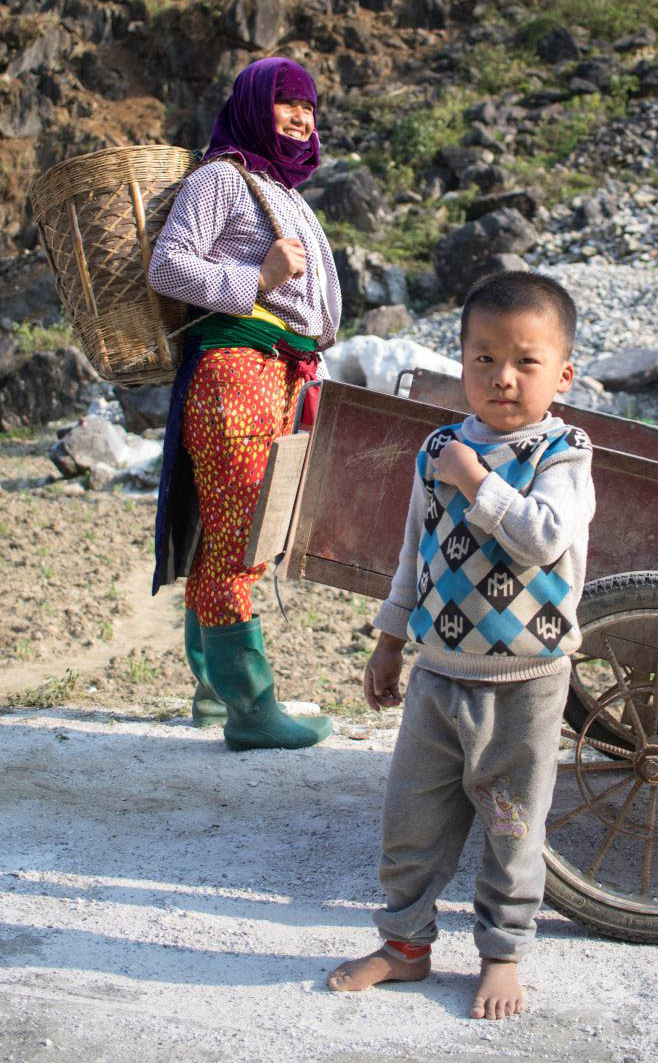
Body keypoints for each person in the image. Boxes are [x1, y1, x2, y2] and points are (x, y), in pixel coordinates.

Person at [327, 271, 595, 1019]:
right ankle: (404, 945)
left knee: (512, 827)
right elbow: (414, 552)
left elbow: (543, 537)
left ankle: (502, 955)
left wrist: (477, 481)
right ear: (462, 362)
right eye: (484, 358)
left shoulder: (563, 453)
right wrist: (389, 642)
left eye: (525, 361)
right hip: (438, 675)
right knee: (410, 820)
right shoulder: (438, 448)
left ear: (563, 375)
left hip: (526, 682)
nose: (502, 377)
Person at [148, 56, 341, 752]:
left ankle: (214, 691)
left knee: (232, 531)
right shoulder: (221, 178)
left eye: (308, 107)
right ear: (254, 106)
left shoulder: (281, 192)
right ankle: (251, 709)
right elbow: (167, 265)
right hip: (235, 372)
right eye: (286, 102)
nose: (300, 117)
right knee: (242, 535)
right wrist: (257, 276)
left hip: (277, 374)